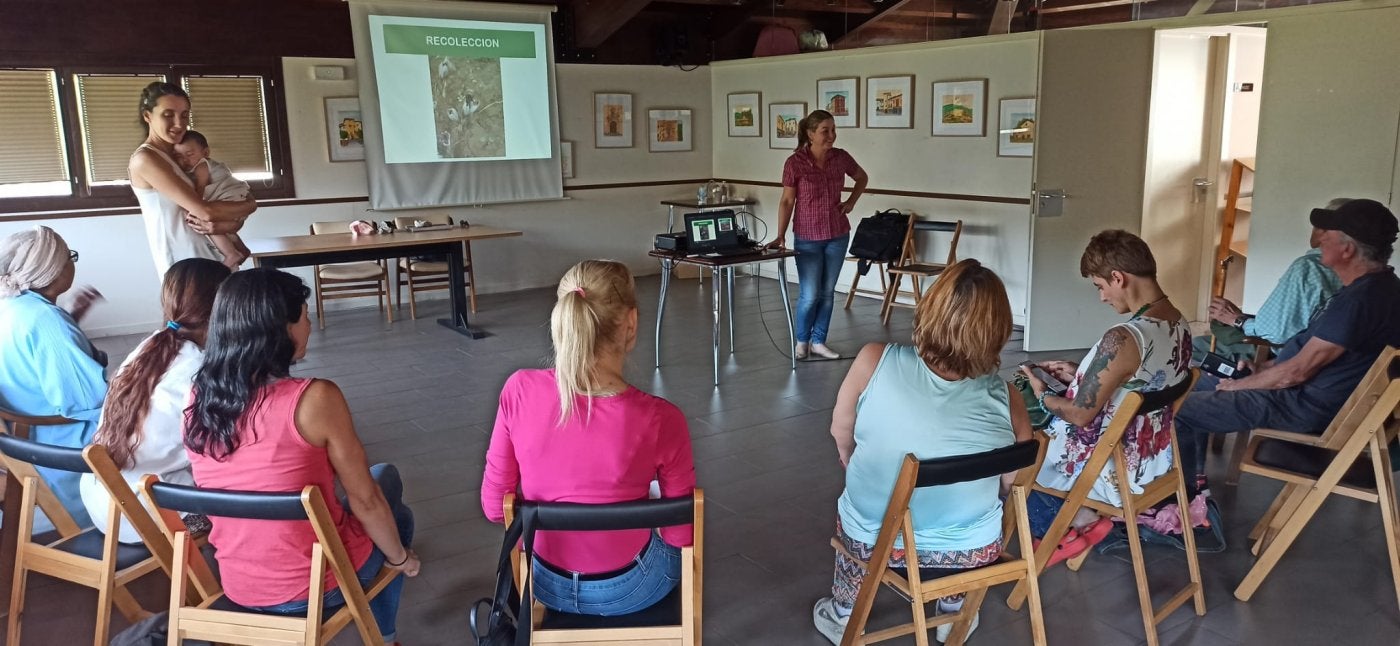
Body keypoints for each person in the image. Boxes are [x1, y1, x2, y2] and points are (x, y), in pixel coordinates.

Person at [183, 268, 418, 645]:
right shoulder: (315, 399)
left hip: (240, 583)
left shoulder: (198, 397)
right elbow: (365, 499)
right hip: (314, 587)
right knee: (390, 497)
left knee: (380, 478)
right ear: (283, 329)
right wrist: (401, 559)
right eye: (305, 317)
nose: (310, 326)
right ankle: (384, 637)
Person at [813, 259, 1032, 645]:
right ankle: (953, 611)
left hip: (874, 537)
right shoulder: (1005, 395)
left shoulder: (874, 359)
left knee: (857, 511)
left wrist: (852, 459)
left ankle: (844, 613)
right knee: (973, 518)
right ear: (996, 330)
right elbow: (1014, 479)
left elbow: (840, 429)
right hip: (971, 549)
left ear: (928, 309)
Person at [480, 260, 696, 617]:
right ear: (631, 324)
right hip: (631, 588)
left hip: (542, 581)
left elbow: (494, 507)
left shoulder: (518, 390)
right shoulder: (662, 419)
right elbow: (680, 536)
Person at [1175, 198, 1400, 495]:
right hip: (1304, 395)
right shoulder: (1382, 288)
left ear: (1347, 249)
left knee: (1171, 410)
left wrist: (1243, 386)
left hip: (1299, 404)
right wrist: (1260, 369)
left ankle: (1182, 506)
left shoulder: (1359, 303)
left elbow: (1295, 373)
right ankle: (1192, 485)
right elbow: (1308, 360)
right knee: (1187, 383)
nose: (1319, 239)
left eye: (1327, 235)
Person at [1020, 230, 1193, 555]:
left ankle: (1055, 532)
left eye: (1100, 287)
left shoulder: (1124, 337)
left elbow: (1080, 414)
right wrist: (1083, 376)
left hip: (1109, 466)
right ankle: (1078, 518)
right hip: (1153, 463)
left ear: (1118, 277)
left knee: (1009, 445)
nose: (1101, 297)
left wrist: (1042, 393)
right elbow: (1140, 383)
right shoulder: (1179, 324)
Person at [79, 258, 230, 544]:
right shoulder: (201, 371)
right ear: (224, 309)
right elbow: (218, 453)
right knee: (257, 489)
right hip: (148, 514)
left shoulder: (151, 345)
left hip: (106, 503)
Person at [0, 226, 106, 529]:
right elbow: (88, 401)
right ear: (52, 271)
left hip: (26, 438)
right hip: (64, 441)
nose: (73, 263)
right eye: (69, 257)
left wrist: (70, 325)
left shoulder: (12, 307)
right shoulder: (46, 320)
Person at [766, 109, 869, 360]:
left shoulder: (841, 158)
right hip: (808, 237)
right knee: (810, 294)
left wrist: (851, 202)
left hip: (837, 233)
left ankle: (819, 341)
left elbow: (862, 178)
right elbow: (787, 201)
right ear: (811, 134)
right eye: (825, 131)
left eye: (833, 130)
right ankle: (802, 341)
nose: (831, 135)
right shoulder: (795, 163)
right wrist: (780, 236)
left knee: (827, 291)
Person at [128, 82, 256, 279]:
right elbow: (205, 211)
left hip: (214, 258)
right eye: (168, 114)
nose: (179, 123)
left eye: (184, 114)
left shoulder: (181, 155)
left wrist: (228, 225)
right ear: (148, 116)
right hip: (185, 265)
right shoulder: (146, 159)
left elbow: (218, 213)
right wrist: (250, 205)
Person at [1197, 198, 1347, 361]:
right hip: (1322, 354)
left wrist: (1236, 319)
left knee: (1195, 346)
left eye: (1320, 226)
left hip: (1285, 356)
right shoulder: (1368, 274)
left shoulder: (1309, 268)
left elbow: (1275, 334)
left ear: (1323, 234)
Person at [172, 130, 253, 270]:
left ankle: (231, 254)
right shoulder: (207, 164)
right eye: (179, 156)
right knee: (224, 228)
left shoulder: (202, 166)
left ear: (205, 153)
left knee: (207, 222)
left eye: (189, 154)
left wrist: (194, 207)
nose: (185, 160)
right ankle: (242, 250)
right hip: (237, 197)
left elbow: (200, 187)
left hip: (229, 197)